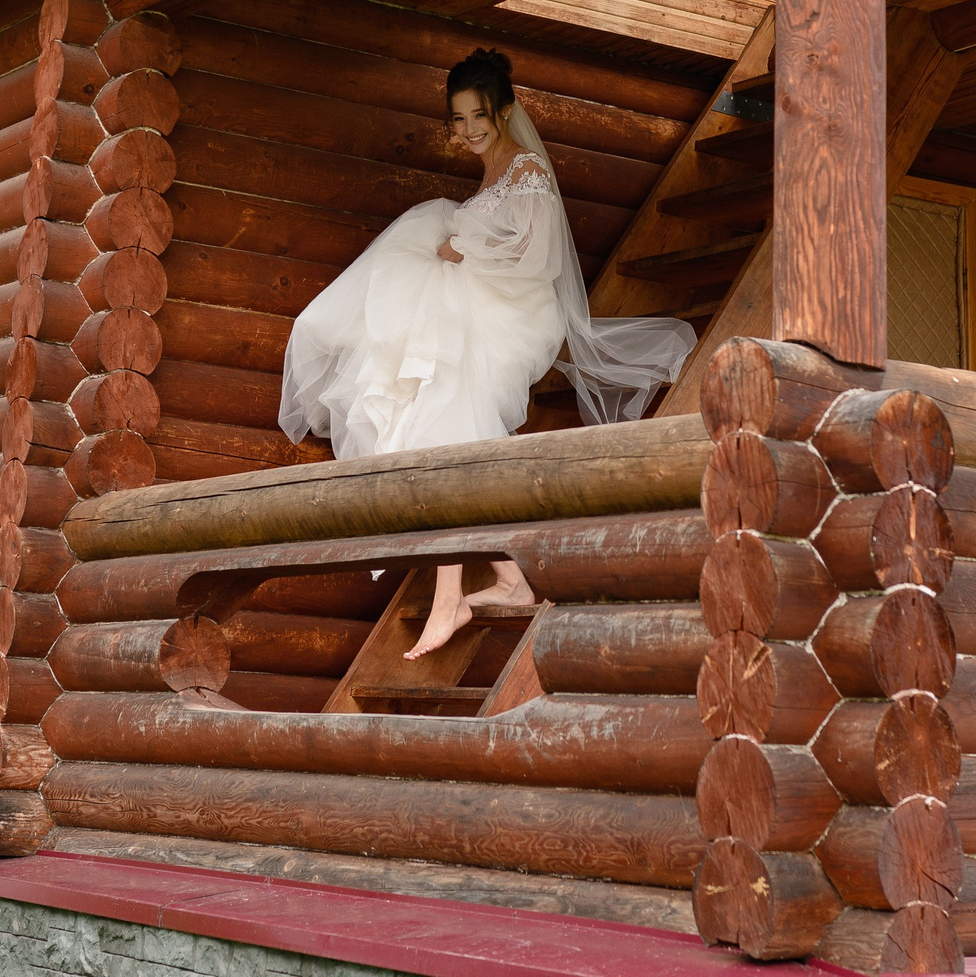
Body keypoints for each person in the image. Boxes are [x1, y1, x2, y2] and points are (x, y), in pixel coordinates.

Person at [278, 48, 695, 658]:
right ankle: (509, 578)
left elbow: (537, 257)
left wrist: (463, 250)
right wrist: (455, 246)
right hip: (475, 313)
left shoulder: (526, 170)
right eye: (457, 120)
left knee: (445, 428)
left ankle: (454, 598)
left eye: (478, 117)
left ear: (503, 112)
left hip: (514, 317)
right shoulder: (488, 176)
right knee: (443, 434)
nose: (468, 131)